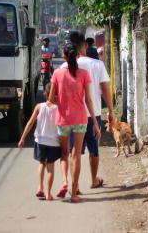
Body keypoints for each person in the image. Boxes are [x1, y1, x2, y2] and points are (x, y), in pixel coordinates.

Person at [48, 43, 101, 203]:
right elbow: (89, 100)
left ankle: (65, 182)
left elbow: (51, 99)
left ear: (64, 57)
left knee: (65, 154)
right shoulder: (84, 74)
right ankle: (74, 193)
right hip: (80, 119)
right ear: (78, 56)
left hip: (63, 120)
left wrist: (62, 101)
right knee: (76, 155)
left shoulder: (57, 74)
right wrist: (96, 123)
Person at [67, 31, 114, 189]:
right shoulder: (97, 64)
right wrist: (112, 111)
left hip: (73, 117)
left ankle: (75, 185)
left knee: (75, 151)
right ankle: (93, 179)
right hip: (93, 116)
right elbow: (106, 90)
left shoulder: (65, 66)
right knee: (93, 149)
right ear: (85, 46)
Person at [18, 83, 61, 201]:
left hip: (40, 141)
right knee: (51, 168)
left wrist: (22, 138)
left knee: (42, 163)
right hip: (54, 142)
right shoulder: (59, 108)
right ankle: (48, 194)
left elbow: (30, 123)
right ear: (57, 95)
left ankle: (40, 188)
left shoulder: (39, 106)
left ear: (45, 94)